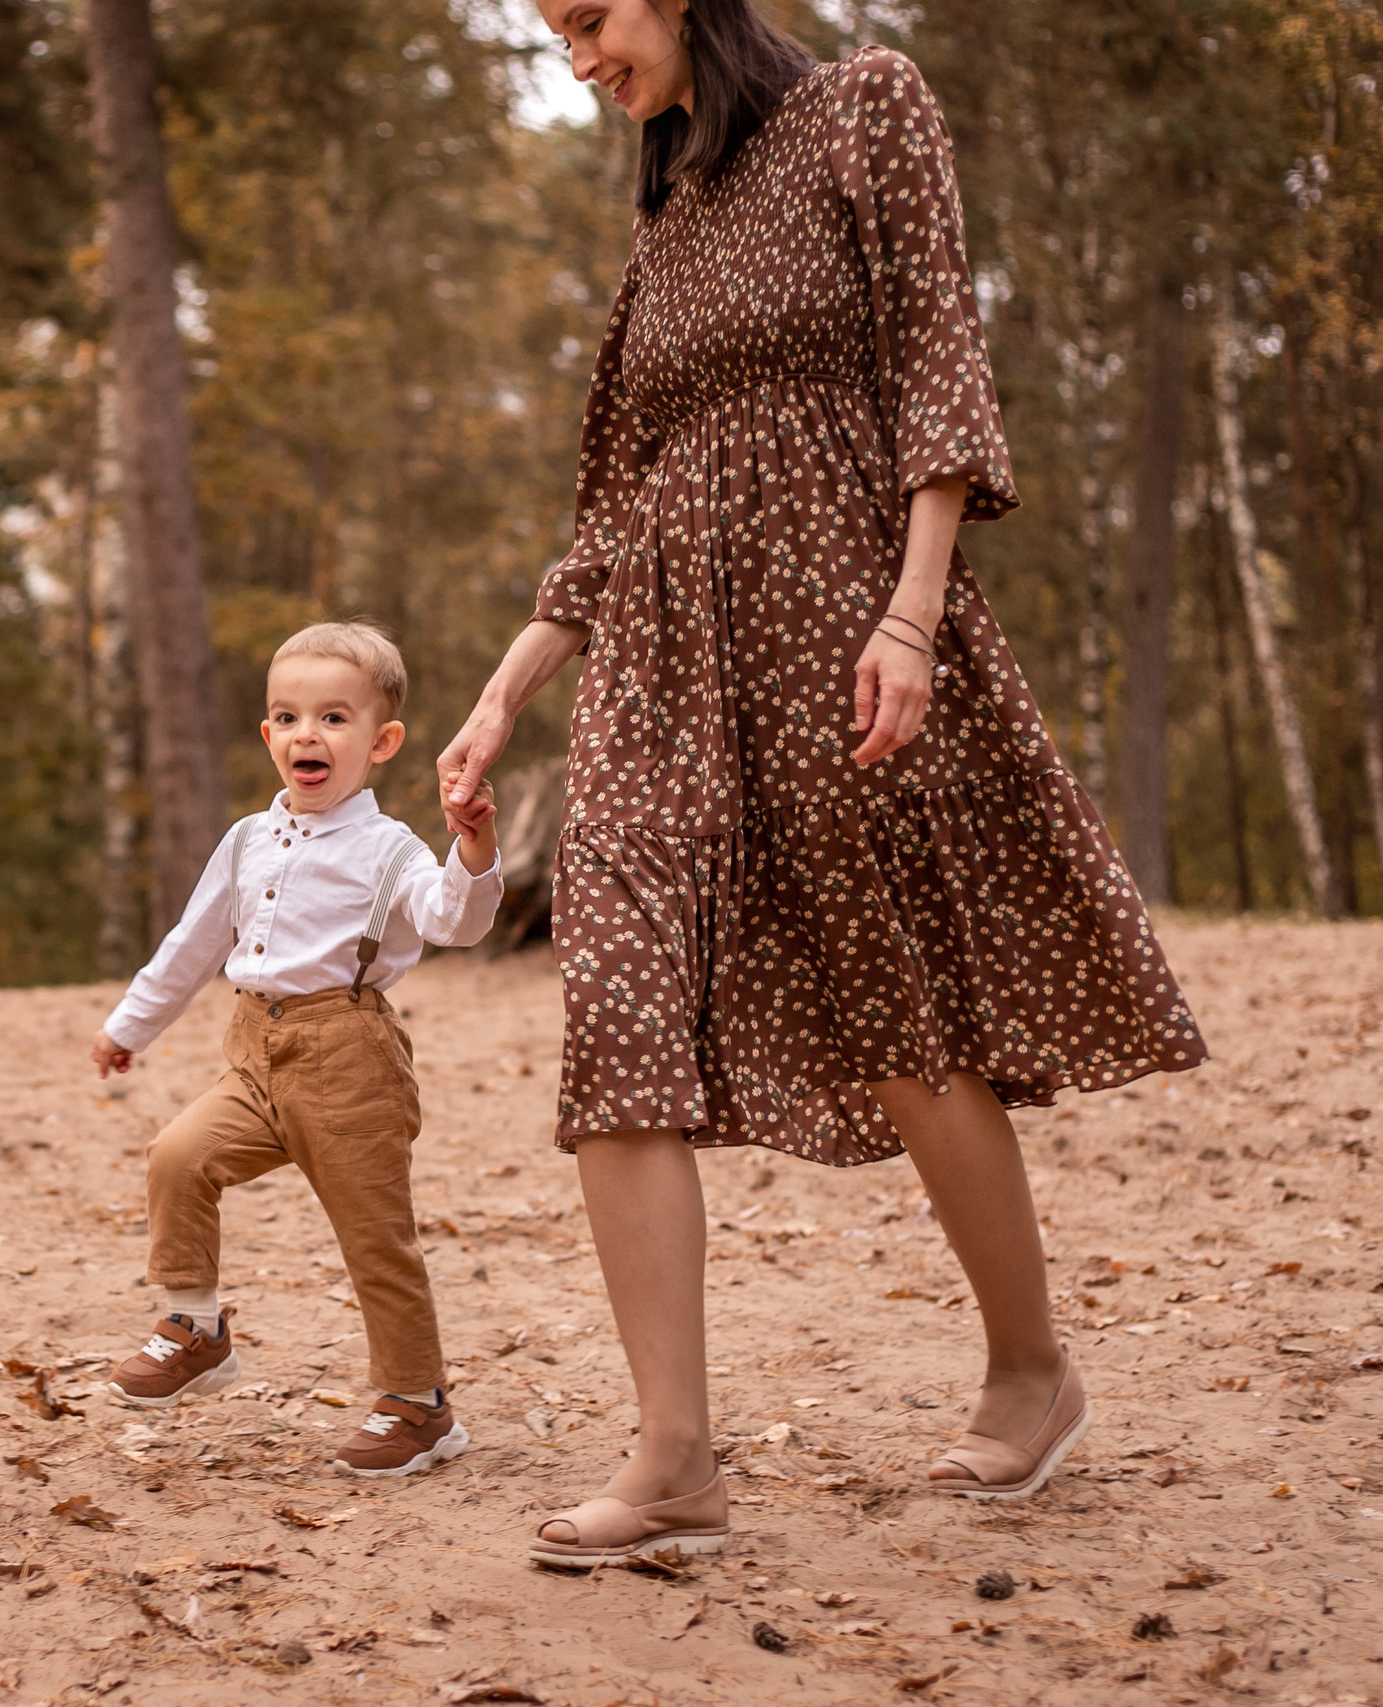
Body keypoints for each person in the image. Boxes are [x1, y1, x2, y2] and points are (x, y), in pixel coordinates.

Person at [435, 0, 1209, 1564]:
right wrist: (506, 688)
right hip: (657, 673)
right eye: (555, 37)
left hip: (840, 624)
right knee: (621, 1003)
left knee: (895, 1007)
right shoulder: (666, 229)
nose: (580, 60)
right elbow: (619, 498)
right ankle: (674, 1454)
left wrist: (913, 611)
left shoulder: (866, 105)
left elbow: (936, 356)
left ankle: (1031, 1369)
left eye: (589, 19)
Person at [91, 621, 504, 1477]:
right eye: (287, 716)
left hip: (349, 1056)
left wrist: (473, 847)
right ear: (269, 733)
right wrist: (129, 1026)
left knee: (374, 1236)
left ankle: (417, 1404)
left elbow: (453, 922)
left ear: (381, 741)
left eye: (333, 717)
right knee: (178, 1155)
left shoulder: (389, 848)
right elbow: (194, 942)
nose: (306, 734)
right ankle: (194, 1327)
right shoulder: (247, 838)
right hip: (256, 1049)